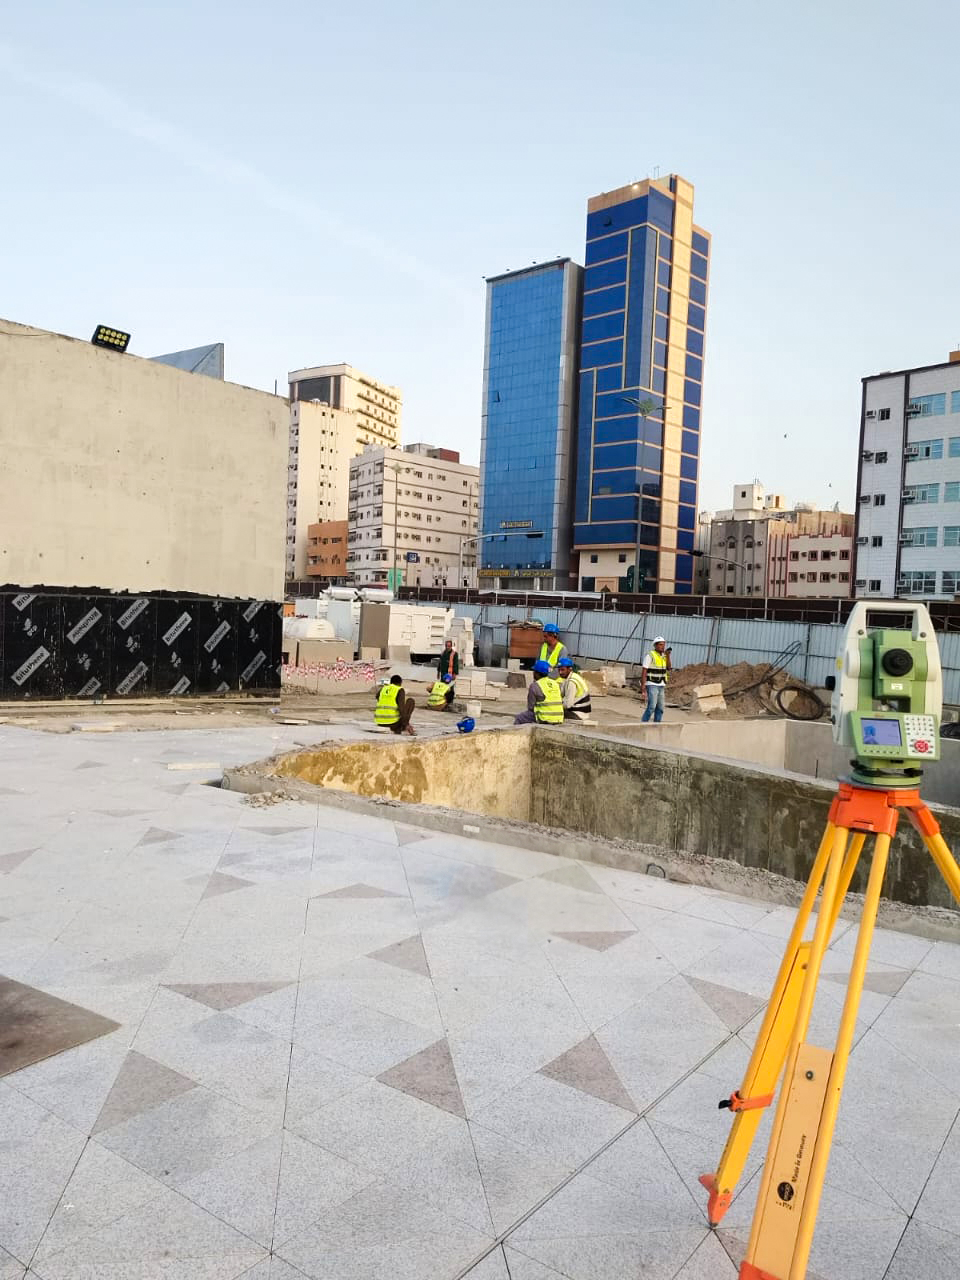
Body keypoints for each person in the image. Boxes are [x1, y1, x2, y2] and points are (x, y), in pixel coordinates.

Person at [514, 659, 564, 725]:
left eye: (534, 671)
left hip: (544, 718)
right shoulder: (555, 683)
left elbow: (531, 707)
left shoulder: (535, 685)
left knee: (520, 718)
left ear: (537, 673)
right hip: (559, 717)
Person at [640, 636, 671, 724]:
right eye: (660, 645)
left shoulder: (664, 656)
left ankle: (656, 726)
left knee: (660, 708)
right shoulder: (650, 655)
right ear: (655, 645)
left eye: (663, 645)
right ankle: (643, 724)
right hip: (652, 683)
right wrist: (643, 686)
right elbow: (644, 670)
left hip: (661, 684)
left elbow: (668, 667)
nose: (663, 646)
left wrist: (668, 656)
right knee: (652, 707)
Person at [557, 655, 592, 720]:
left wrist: (556, 705)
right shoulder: (573, 676)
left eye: (562, 670)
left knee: (551, 711)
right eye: (559, 670)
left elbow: (568, 705)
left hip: (577, 713)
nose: (560, 672)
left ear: (569, 669)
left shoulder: (571, 682)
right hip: (582, 712)